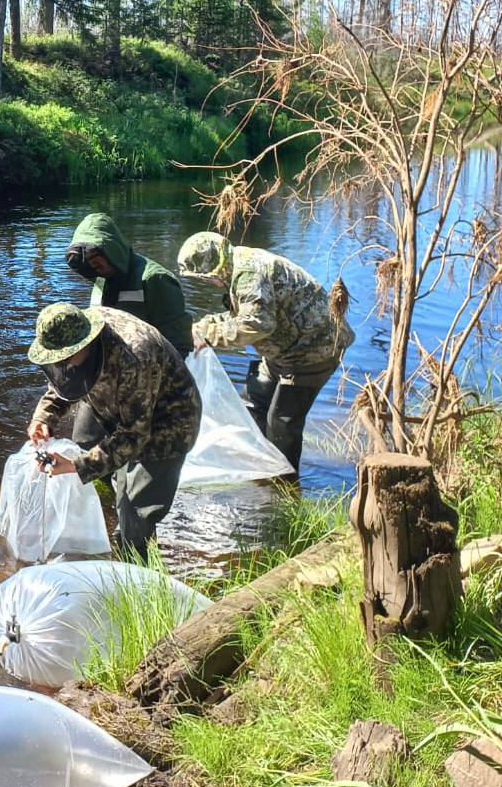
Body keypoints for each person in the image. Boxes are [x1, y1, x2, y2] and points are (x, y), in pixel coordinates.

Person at [25, 301, 201, 559]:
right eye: (56, 361)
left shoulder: (135, 356)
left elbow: (133, 436)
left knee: (135, 508)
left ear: (85, 344)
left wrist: (77, 465)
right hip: (121, 408)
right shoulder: (75, 333)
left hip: (168, 423)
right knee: (101, 462)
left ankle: (137, 568)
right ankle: (118, 519)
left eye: (65, 359)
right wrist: (43, 417)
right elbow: (65, 382)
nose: (62, 365)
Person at [176, 232, 354, 472]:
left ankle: (285, 483)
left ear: (214, 269)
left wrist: (209, 336)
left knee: (282, 422)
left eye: (205, 277)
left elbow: (257, 324)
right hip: (284, 349)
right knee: (252, 403)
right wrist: (200, 328)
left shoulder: (249, 273)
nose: (207, 283)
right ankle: (261, 467)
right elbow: (243, 315)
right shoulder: (238, 268)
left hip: (315, 349)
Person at [64, 212, 194, 358]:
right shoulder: (101, 278)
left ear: (112, 250)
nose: (93, 263)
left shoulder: (155, 279)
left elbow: (179, 344)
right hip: (115, 367)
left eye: (95, 255)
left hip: (151, 369)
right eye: (87, 259)